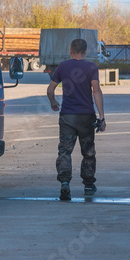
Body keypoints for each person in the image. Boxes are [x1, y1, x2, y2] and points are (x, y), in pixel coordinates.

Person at [47, 39, 106, 201]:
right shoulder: (92, 67)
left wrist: (53, 102)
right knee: (88, 152)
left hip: (67, 116)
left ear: (70, 51)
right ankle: (88, 185)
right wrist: (102, 116)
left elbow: (50, 89)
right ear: (86, 51)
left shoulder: (63, 66)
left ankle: (65, 183)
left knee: (65, 151)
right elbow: (96, 91)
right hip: (86, 116)